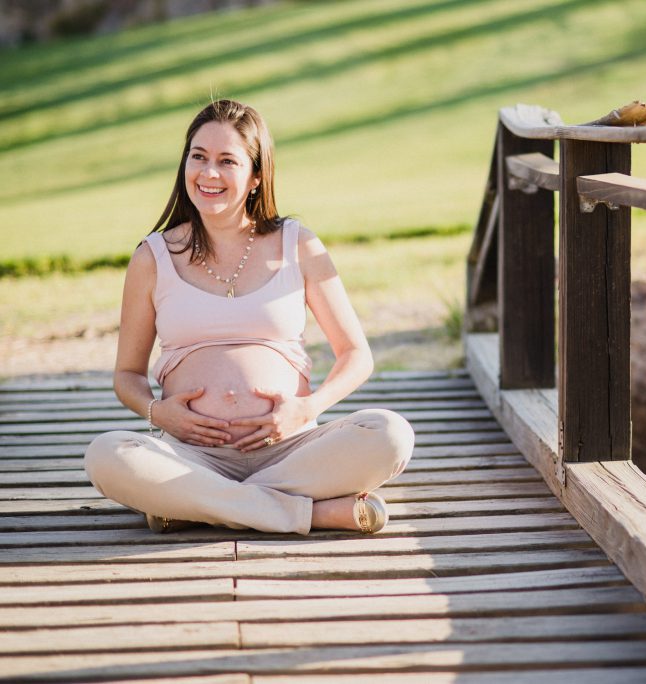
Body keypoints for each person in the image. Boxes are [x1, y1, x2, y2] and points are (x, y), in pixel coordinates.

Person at [84, 99, 414, 535]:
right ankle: (310, 513)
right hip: (192, 455)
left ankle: (194, 505)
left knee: (391, 434)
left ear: (257, 175)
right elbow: (127, 374)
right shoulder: (153, 257)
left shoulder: (299, 245)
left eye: (227, 161)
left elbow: (356, 355)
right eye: (198, 157)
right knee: (106, 455)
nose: (209, 173)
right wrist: (158, 414)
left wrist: (306, 409)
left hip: (294, 449)